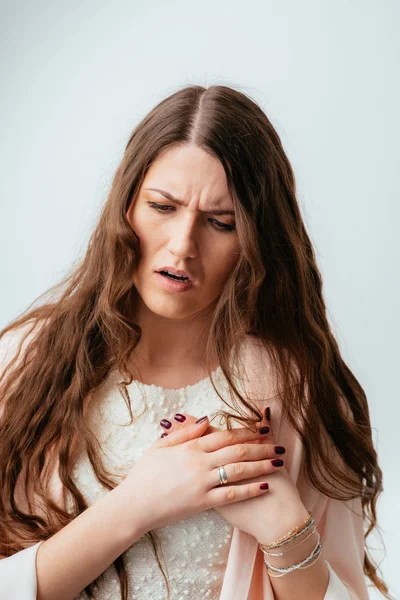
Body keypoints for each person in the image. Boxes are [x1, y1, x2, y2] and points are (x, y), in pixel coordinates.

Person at [0, 84, 390, 600]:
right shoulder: (27, 361)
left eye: (220, 223)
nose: (183, 245)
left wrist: (283, 528)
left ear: (255, 241)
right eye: (162, 207)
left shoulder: (298, 391)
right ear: (125, 208)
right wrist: (137, 505)